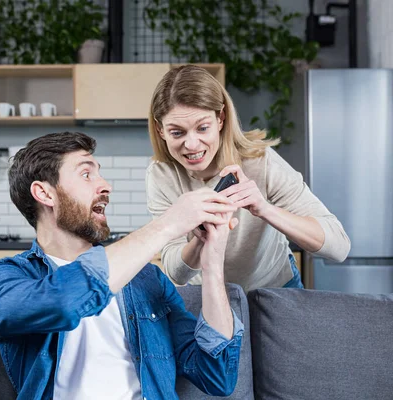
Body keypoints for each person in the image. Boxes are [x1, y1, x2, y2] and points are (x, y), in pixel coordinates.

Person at [0, 131, 244, 399]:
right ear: (45, 193)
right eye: (86, 174)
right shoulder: (6, 278)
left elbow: (217, 376)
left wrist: (211, 260)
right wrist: (167, 225)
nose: (105, 185)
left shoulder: (146, 279)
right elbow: (63, 303)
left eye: (99, 173)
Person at [146, 65, 351, 292]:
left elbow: (339, 247)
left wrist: (263, 208)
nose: (192, 144)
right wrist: (201, 238)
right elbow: (178, 274)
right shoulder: (161, 176)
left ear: (221, 119)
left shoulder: (260, 161)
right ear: (160, 129)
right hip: (208, 294)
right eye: (177, 132)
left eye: (203, 128)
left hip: (274, 289)